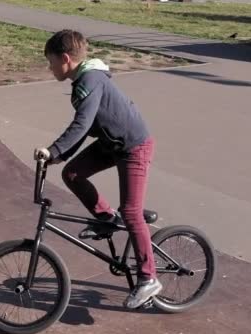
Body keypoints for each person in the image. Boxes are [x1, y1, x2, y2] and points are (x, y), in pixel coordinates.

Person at [34, 29, 161, 309]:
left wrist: (54, 150)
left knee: (131, 211)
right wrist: (60, 157)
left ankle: (148, 278)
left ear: (65, 58)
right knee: (72, 174)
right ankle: (106, 218)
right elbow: (88, 127)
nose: (49, 67)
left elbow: (81, 124)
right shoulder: (84, 80)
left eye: (51, 61)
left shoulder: (91, 80)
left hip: (133, 146)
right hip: (111, 143)